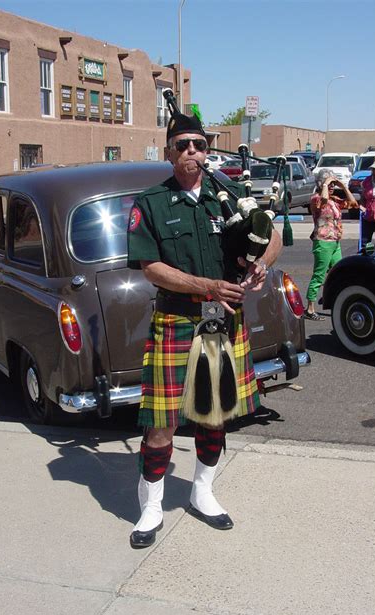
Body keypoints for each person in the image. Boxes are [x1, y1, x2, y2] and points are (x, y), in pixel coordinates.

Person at [127, 110, 282, 548]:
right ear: (169, 152)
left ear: (207, 149)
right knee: (161, 424)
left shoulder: (230, 193)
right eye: (182, 145)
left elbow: (271, 237)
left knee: (213, 416)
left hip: (223, 323)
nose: (191, 152)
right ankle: (151, 505)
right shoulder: (151, 203)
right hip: (177, 318)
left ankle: (202, 491)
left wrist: (260, 269)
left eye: (198, 144)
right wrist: (205, 286)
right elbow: (150, 267)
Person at [304, 170, 358, 320]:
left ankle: (331, 296)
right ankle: (309, 308)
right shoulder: (315, 199)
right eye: (329, 184)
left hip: (335, 242)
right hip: (323, 242)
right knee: (319, 276)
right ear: (320, 184)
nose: (332, 186)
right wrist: (326, 184)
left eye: (333, 184)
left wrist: (343, 186)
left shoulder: (334, 200)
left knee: (339, 273)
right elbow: (323, 201)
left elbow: (353, 204)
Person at [359, 156, 375, 253]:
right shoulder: (366, 181)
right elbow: (363, 198)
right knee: (365, 243)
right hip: (368, 216)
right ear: (373, 169)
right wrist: (362, 207)